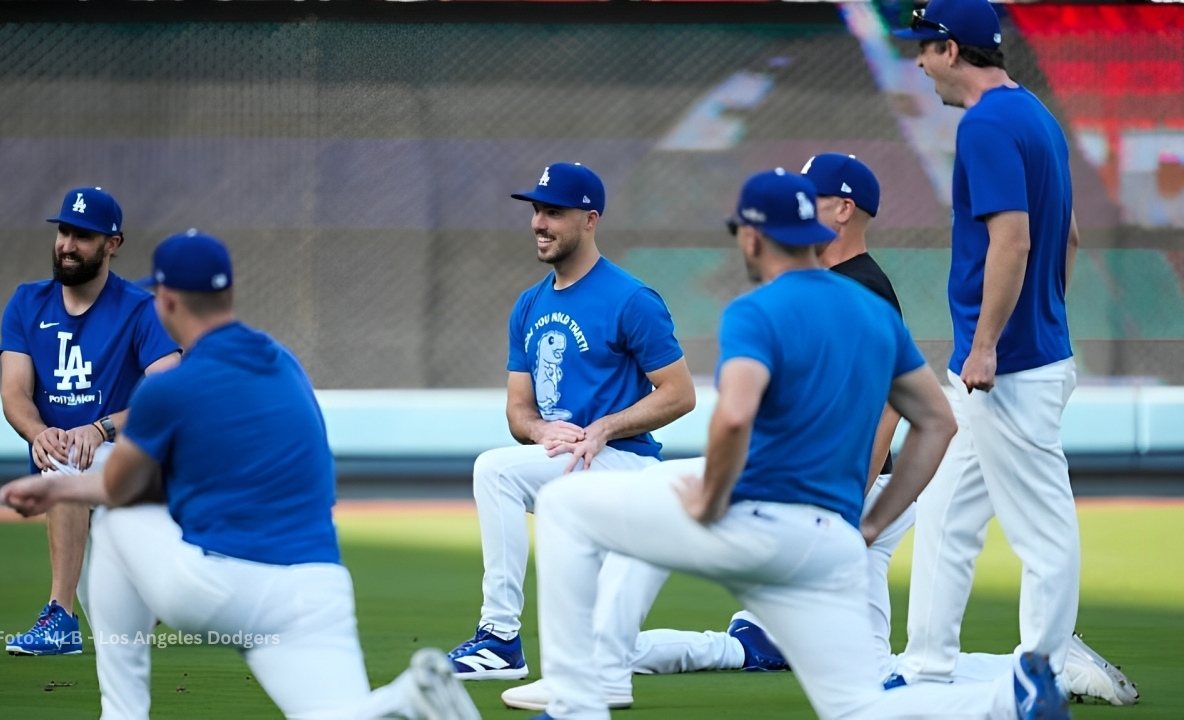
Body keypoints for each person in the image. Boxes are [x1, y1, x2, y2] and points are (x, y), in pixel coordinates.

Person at [522, 169, 1068, 719]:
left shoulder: (756, 310)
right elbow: (938, 423)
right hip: (828, 540)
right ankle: (1008, 697)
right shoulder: (875, 313)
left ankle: (577, 706)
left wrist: (711, 500)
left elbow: (735, 415)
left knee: (565, 506)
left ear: (752, 238)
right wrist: (872, 524)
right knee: (855, 707)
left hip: (755, 523)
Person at [623, 155, 1137, 707]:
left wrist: (853, 501)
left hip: (857, 489)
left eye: (810, 197)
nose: (799, 208)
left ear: (843, 209)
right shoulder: (831, 281)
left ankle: (1043, 672)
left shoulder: (862, 286)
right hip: (843, 493)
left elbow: (891, 410)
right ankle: (1033, 674)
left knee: (876, 681)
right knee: (866, 671)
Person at [0, 230, 480, 720]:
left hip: (227, 585)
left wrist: (52, 485)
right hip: (319, 586)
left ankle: (122, 715)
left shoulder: (169, 389)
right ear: (226, 295)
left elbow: (118, 488)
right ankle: (408, 698)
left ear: (165, 301)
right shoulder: (283, 363)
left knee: (117, 524)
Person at [891, 0, 1085, 690]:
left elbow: (1015, 239)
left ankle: (1044, 674)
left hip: (1005, 371)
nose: (917, 61)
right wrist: (1043, 316)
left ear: (951, 49)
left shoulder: (986, 126)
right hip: (1015, 361)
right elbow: (1065, 238)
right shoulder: (1034, 115)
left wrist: (989, 345)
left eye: (923, 46)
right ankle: (925, 666)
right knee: (944, 513)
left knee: (1042, 530)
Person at [447, 162, 696, 688]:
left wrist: (604, 427)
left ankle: (499, 638)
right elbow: (519, 409)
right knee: (608, 650)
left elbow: (680, 394)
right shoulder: (529, 304)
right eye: (536, 210)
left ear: (590, 220)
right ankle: (734, 650)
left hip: (624, 463)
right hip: (565, 461)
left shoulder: (632, 299)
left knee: (495, 471)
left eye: (554, 212)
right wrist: (539, 433)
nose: (539, 222)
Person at [0, 186, 180, 656]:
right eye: (64, 231)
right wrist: (41, 434)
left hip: (129, 458)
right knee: (117, 624)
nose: (67, 244)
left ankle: (59, 618)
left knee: (66, 465)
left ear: (112, 244)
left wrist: (100, 428)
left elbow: (170, 393)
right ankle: (150, 599)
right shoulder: (26, 303)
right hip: (66, 454)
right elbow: (15, 392)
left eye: (83, 235)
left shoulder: (141, 309)